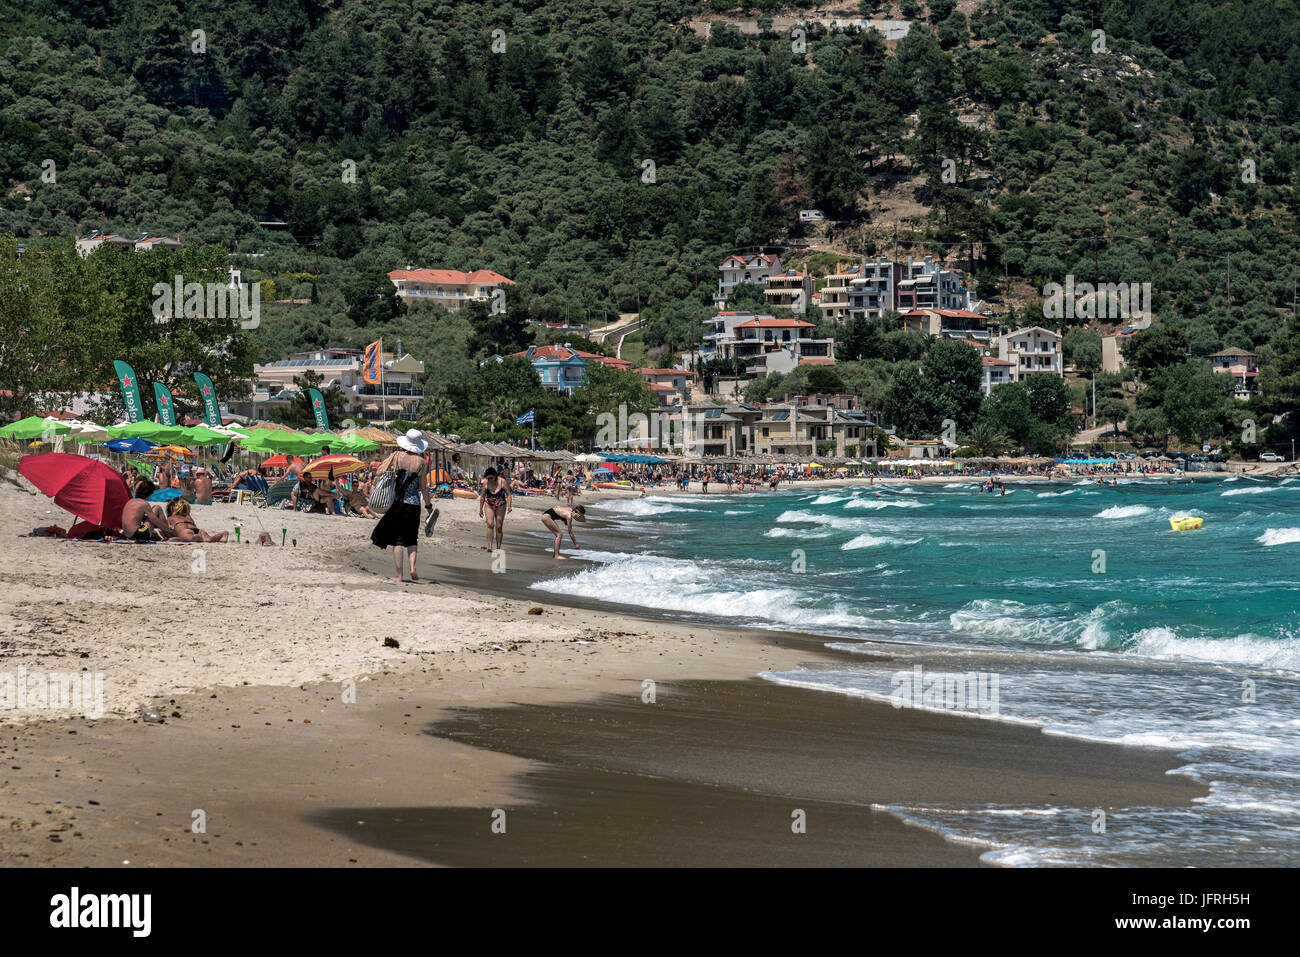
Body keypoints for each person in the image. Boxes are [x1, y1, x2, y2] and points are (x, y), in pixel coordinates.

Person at [370, 429, 433, 582]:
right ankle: (413, 567)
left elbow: (380, 471)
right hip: (414, 505)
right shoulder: (422, 463)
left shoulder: (397, 456)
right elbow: (423, 487)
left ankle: (399, 575)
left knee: (397, 540)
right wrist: (428, 505)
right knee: (412, 538)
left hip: (397, 503)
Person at [479, 466, 512, 552]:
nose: (489, 479)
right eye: (488, 478)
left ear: (495, 476)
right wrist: (480, 509)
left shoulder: (502, 482)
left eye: (491, 478)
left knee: (499, 526)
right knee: (490, 524)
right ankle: (489, 546)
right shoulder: (486, 483)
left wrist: (509, 506)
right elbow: (482, 497)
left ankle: (498, 547)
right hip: (489, 504)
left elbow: (508, 494)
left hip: (501, 504)